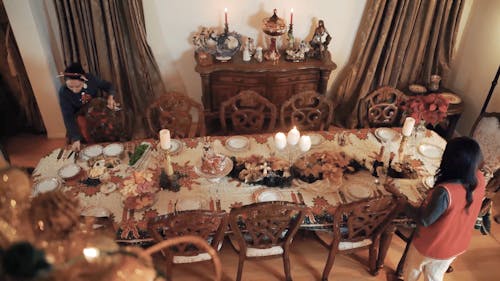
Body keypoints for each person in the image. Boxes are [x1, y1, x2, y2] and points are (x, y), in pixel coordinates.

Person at [404, 137, 486, 281]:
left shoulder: (445, 192)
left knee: (413, 269)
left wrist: (403, 204)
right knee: (434, 276)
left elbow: (424, 220)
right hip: (457, 244)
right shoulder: (479, 178)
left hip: (431, 244)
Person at [58, 62, 117, 151]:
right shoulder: (63, 92)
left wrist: (111, 97)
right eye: (70, 86)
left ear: (84, 79)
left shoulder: (91, 79)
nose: (74, 90)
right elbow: (68, 116)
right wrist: (76, 138)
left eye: (77, 86)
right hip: (78, 114)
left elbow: (109, 86)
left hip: (95, 108)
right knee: (83, 140)